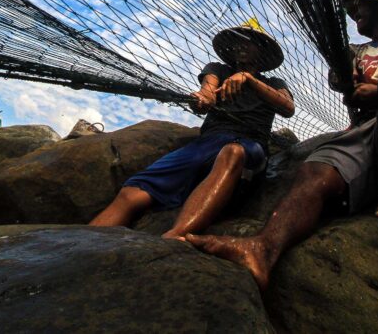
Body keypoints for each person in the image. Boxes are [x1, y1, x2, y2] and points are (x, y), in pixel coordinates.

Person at [187, 0, 378, 290]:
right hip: (363, 136)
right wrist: (341, 63)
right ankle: (263, 249)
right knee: (313, 170)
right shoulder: (358, 52)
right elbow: (338, 83)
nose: (354, 13)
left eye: (360, 6)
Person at [90, 21, 294, 241]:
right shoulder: (219, 70)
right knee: (132, 192)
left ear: (262, 50)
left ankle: (176, 235)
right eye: (237, 41)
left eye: (249, 41)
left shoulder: (273, 82)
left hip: (248, 147)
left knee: (233, 152)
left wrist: (249, 80)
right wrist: (203, 98)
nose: (241, 45)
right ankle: (78, 244)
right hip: (206, 144)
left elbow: (287, 107)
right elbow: (207, 89)